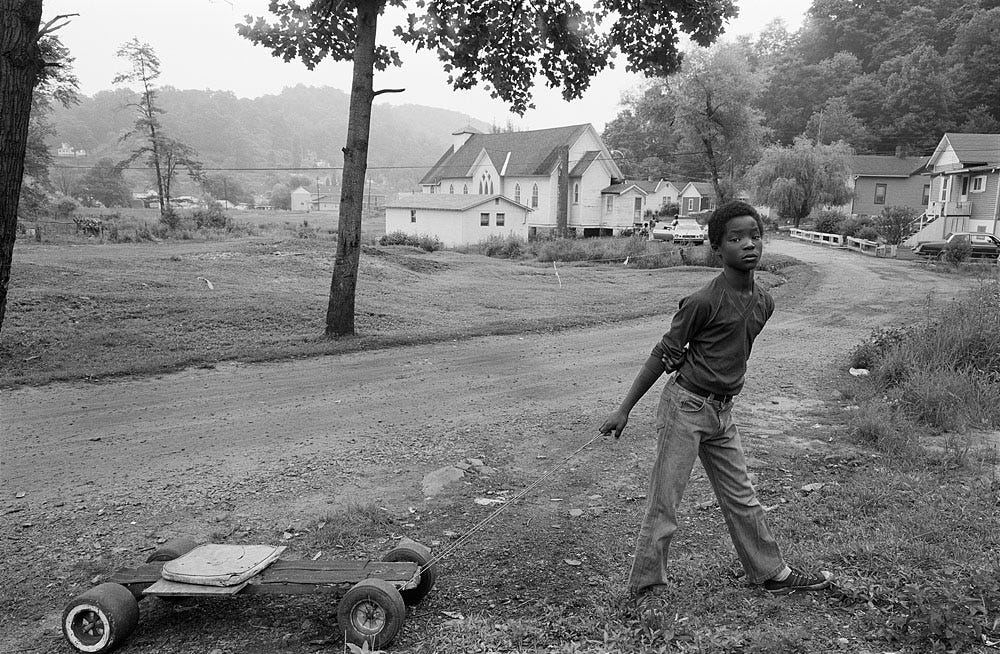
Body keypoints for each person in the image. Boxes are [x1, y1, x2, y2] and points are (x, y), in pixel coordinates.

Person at [599, 200, 832, 608]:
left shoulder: (764, 303)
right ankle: (647, 588)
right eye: (736, 238)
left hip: (722, 412)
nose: (749, 244)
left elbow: (729, 348)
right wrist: (624, 409)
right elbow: (663, 353)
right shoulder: (702, 301)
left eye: (755, 236)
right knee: (665, 500)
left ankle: (771, 573)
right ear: (716, 248)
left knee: (742, 496)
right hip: (685, 408)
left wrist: (704, 361)